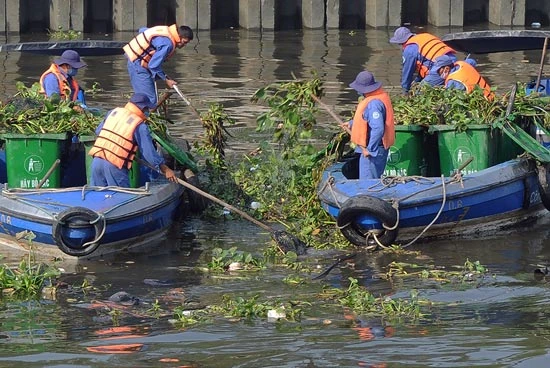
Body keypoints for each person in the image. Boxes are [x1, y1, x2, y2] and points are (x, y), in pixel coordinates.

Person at [88, 93, 177, 187]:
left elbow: (98, 132)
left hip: (96, 162)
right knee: (120, 198)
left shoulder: (113, 112)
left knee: (97, 196)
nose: (148, 112)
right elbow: (149, 155)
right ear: (143, 108)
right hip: (114, 166)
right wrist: (166, 169)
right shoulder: (139, 125)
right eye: (147, 109)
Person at [340, 71, 395, 179]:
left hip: (373, 151)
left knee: (368, 183)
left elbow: (378, 128)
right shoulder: (375, 99)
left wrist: (370, 149)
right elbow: (366, 120)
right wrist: (352, 124)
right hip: (374, 149)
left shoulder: (374, 104)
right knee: (373, 180)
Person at [123, 24, 194, 106]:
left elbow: (142, 30)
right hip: (138, 65)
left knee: (144, 98)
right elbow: (153, 65)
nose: (183, 45)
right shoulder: (168, 45)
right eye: (184, 42)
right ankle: (143, 116)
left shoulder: (164, 32)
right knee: (149, 100)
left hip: (136, 61)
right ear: (178, 36)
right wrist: (166, 80)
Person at [389, 26, 456, 94]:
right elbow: (426, 63)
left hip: (441, 67)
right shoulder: (423, 37)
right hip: (453, 61)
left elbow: (407, 72)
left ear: (402, 42)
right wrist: (417, 81)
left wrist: (405, 90)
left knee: (419, 93)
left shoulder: (409, 49)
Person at [429, 55, 493, 99]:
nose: (438, 73)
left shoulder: (453, 81)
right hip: (490, 95)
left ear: (447, 69)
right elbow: (472, 61)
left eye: (439, 70)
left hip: (485, 102)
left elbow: (449, 98)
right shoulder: (462, 64)